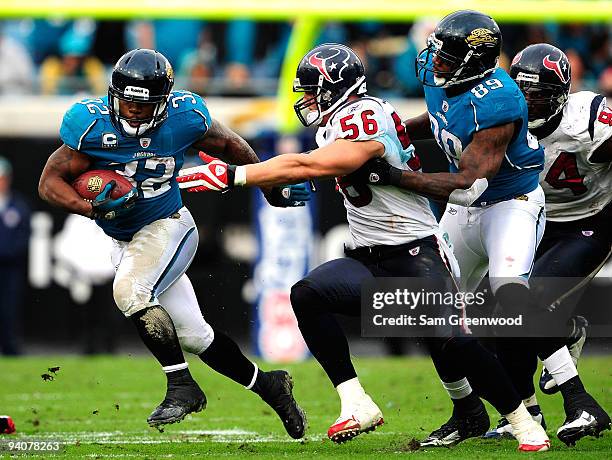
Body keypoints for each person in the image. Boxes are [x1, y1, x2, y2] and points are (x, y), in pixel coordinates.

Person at [177, 42, 549, 451]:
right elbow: (316, 169)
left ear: (337, 86)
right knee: (308, 294)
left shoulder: (364, 116)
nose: (307, 99)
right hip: (371, 256)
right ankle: (356, 402)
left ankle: (522, 421)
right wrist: (276, 188)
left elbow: (314, 164)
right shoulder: (338, 120)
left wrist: (237, 175)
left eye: (313, 89)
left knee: (454, 340)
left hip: (417, 253)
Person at [351, 11, 608, 447]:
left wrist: (390, 174)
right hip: (467, 210)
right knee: (432, 307)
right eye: (439, 53)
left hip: (512, 203)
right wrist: (392, 138)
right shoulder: (442, 81)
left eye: (448, 55)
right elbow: (434, 124)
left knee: (510, 293)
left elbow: (464, 180)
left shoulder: (500, 101)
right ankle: (473, 410)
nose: (437, 63)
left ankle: (580, 400)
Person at [38, 48, 307, 438]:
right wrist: (90, 208)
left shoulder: (185, 117)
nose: (131, 110)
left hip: (169, 225)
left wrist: (267, 189)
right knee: (195, 335)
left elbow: (233, 147)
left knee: (131, 291)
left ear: (163, 101)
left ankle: (182, 386)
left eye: (142, 104)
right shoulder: (89, 124)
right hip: (125, 239)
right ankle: (272, 387)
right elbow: (49, 183)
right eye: (126, 100)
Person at [484, 43, 611, 444]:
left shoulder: (588, 118)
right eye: (522, 93)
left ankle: (580, 402)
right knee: (499, 308)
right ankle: (524, 411)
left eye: (537, 95)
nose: (528, 103)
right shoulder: (502, 116)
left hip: (590, 219)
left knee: (529, 296)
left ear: (560, 95)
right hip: (533, 219)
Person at [0, 156, 30, 355]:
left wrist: (8, 253)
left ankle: (10, 346)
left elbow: (24, 235)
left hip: (10, 267)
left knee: (9, 308)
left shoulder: (18, 205)